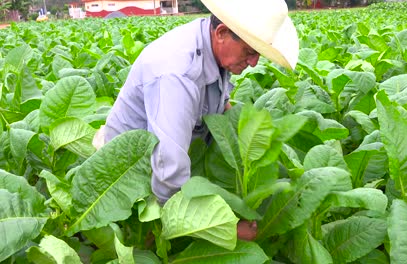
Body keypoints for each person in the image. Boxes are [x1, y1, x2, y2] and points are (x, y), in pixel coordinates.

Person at [95, 0, 299, 240]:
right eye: (250, 51)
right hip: (129, 187)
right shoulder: (176, 74)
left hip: (172, 164)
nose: (254, 62)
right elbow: (168, 175)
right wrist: (225, 230)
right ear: (222, 32)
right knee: (149, 244)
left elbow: (220, 107)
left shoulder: (214, 48)